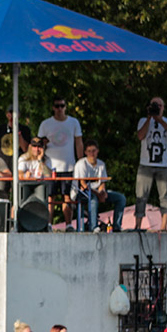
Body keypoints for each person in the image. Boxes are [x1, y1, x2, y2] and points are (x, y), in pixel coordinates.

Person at [37, 96, 84, 224]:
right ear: (53, 108)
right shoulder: (46, 124)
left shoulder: (73, 122)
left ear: (65, 107)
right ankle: (48, 224)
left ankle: (69, 224)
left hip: (69, 165)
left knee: (67, 197)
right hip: (50, 166)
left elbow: (79, 143)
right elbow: (38, 145)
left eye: (62, 106)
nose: (59, 109)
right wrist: (41, 150)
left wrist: (81, 163)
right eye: (57, 106)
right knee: (50, 197)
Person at [135, 96, 167, 232]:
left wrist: (160, 120)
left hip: (164, 164)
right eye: (154, 105)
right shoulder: (143, 120)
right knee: (141, 195)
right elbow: (140, 136)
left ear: (163, 108)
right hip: (146, 164)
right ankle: (138, 225)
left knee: (164, 195)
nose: (157, 107)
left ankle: (163, 226)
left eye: (159, 105)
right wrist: (150, 118)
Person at [72, 140, 126, 232]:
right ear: (85, 152)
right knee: (93, 199)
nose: (92, 153)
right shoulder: (81, 164)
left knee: (120, 198)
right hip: (81, 192)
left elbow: (102, 182)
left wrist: (102, 192)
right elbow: (83, 184)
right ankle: (93, 226)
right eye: (89, 151)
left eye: (94, 151)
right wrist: (98, 194)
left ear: (98, 151)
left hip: (96, 192)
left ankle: (117, 225)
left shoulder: (101, 164)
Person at [17, 137, 53, 209]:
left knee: (42, 205)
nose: (37, 149)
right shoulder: (23, 158)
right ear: (30, 147)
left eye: (39, 147)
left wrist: (40, 161)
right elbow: (19, 174)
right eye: (34, 146)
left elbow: (48, 175)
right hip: (26, 185)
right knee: (18, 205)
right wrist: (24, 176)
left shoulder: (46, 159)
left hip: (40, 186)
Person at [0, 105, 32, 172]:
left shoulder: (25, 129)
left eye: (15, 113)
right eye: (11, 112)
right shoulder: (0, 129)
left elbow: (26, 149)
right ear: (7, 114)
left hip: (19, 166)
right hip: (3, 167)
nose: (12, 115)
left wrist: (19, 134)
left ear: (19, 115)